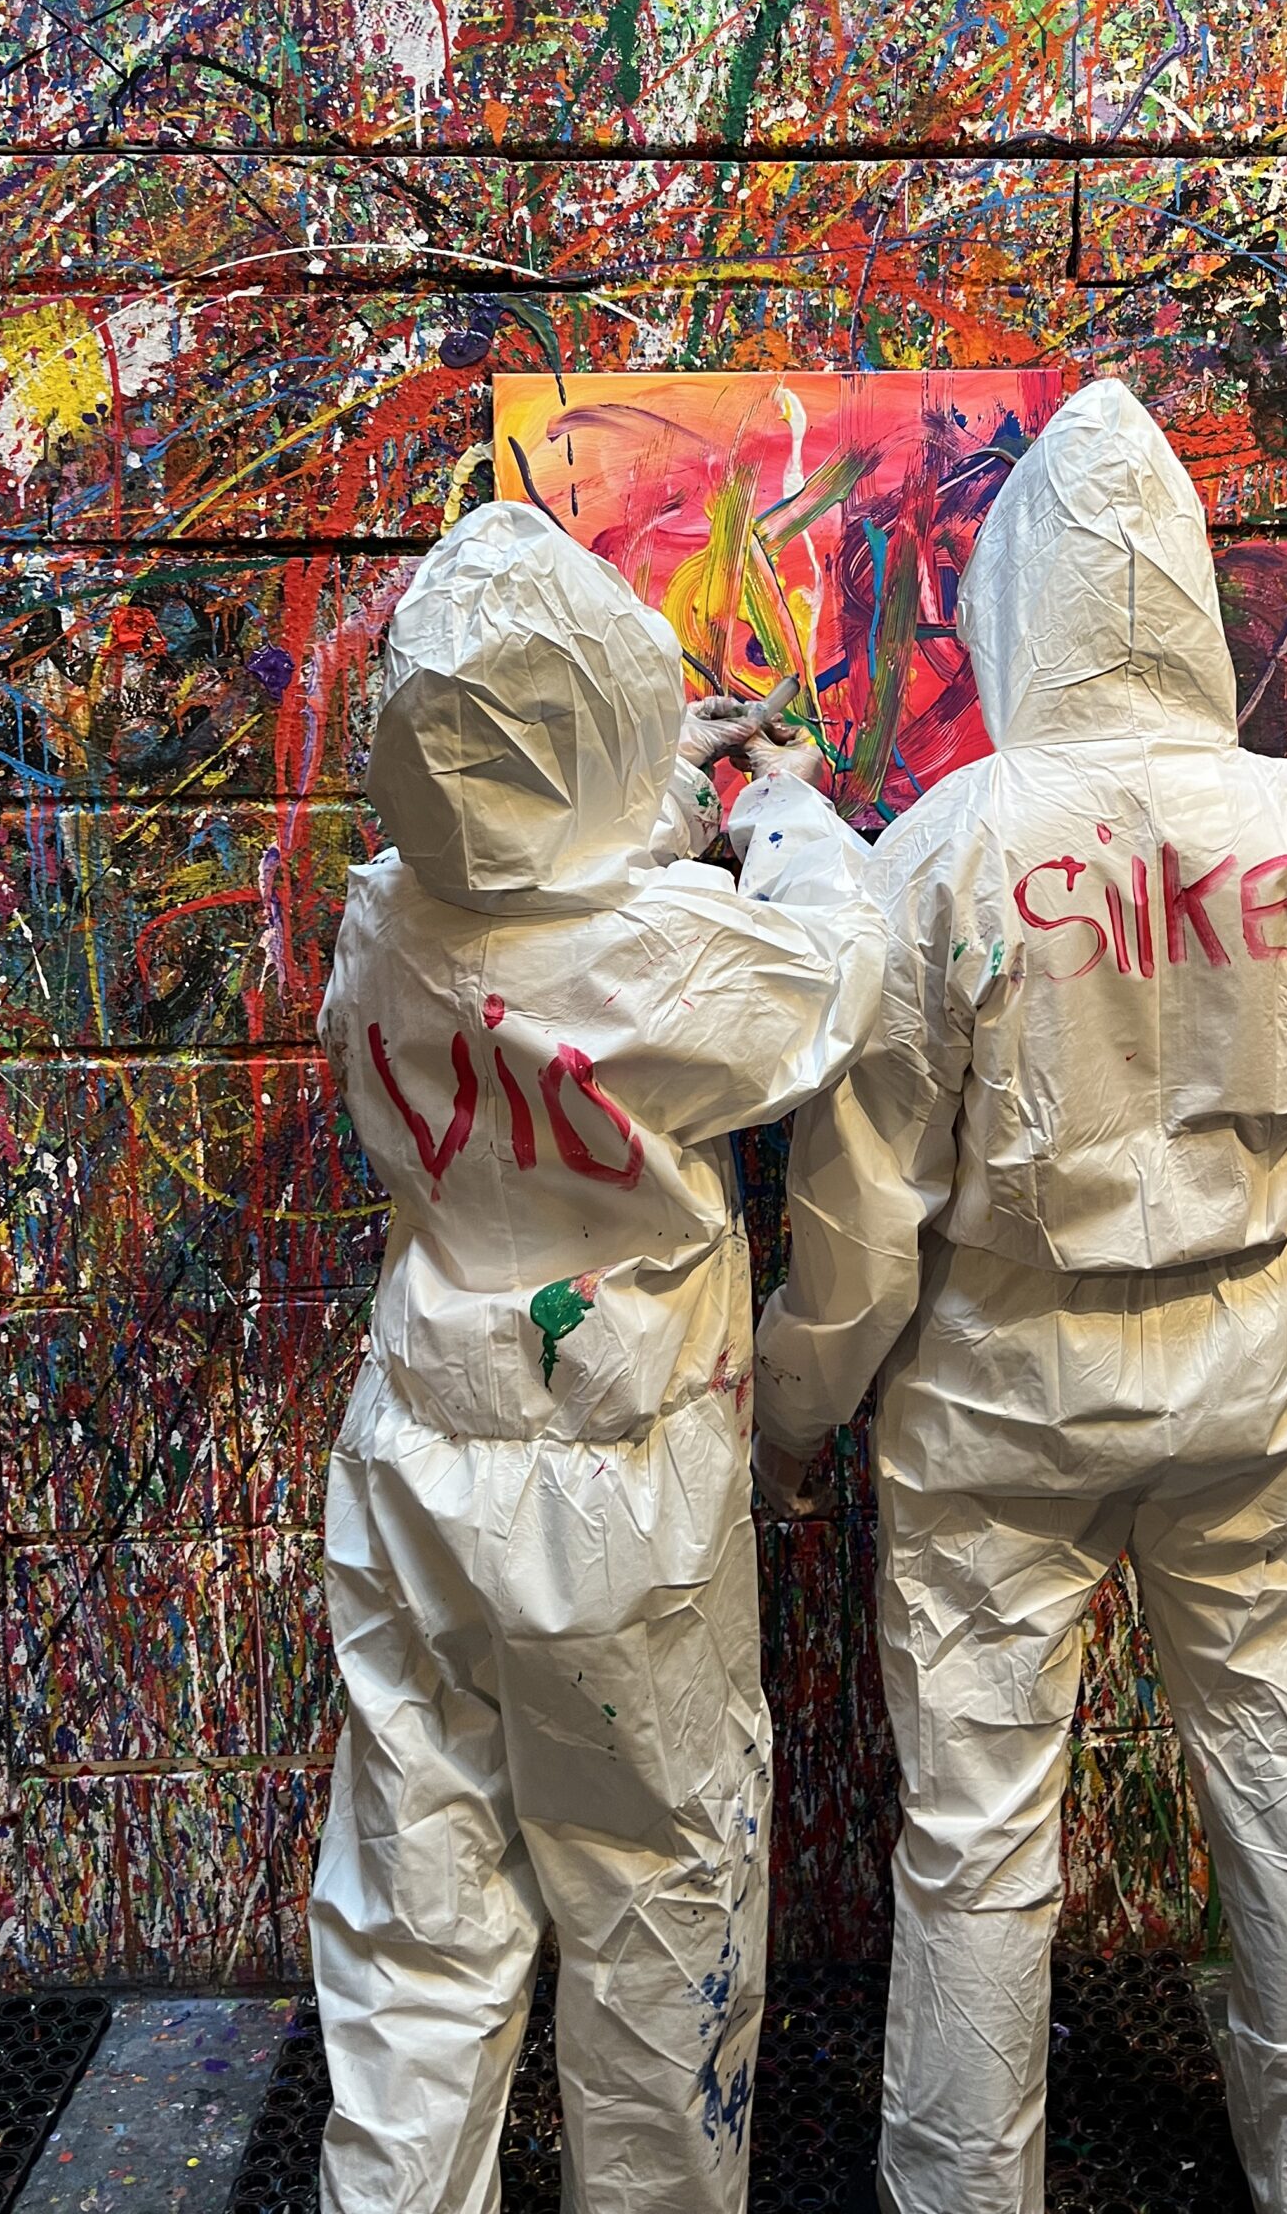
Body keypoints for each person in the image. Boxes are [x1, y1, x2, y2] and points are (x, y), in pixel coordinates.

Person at [753, 378, 1287, 2214]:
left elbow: (861, 1212)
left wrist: (788, 1424)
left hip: (1000, 1401)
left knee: (977, 1841)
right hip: (1248, 1377)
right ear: (1184, 586)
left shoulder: (950, 847)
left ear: (1017, 599)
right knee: (1286, 1785)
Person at [311, 499, 881, 2214]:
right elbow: (831, 971)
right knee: (654, 1924)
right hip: (620, 1490)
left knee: (414, 1933)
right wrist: (778, 807)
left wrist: (644, 793)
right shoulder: (671, 957)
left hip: (416, 1455)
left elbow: (515, 876)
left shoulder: (379, 921)